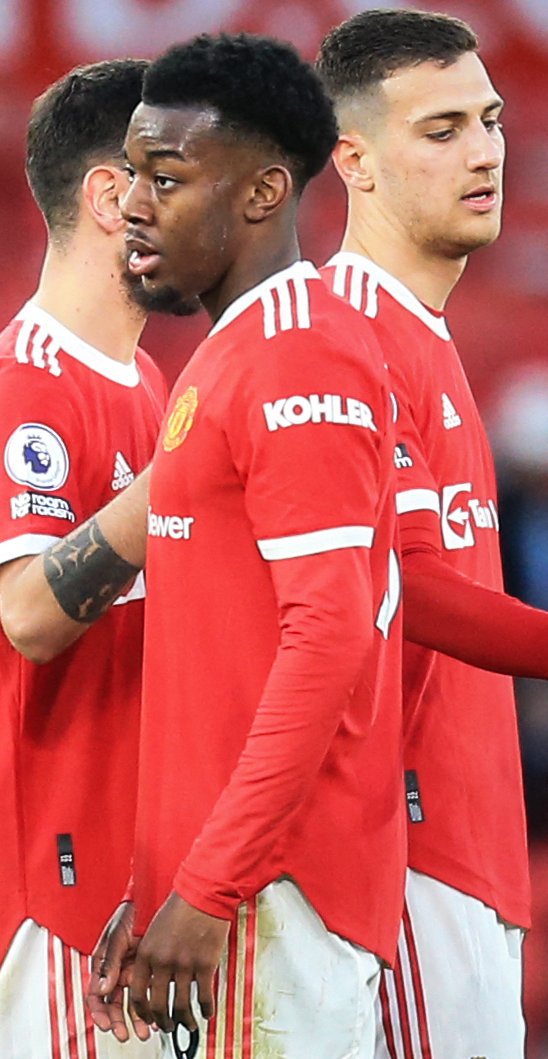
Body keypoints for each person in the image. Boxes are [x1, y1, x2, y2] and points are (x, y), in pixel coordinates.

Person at [76, 34, 405, 1055]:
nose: (134, 202)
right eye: (132, 172)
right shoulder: (231, 354)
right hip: (227, 897)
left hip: (276, 904)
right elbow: (225, 655)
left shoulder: (303, 352)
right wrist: (161, 877)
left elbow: (329, 639)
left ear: (264, 193)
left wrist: (208, 887)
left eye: (166, 178)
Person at [318, 11, 548, 1057]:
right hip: (402, 850)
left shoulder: (424, 336)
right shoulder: (344, 336)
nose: (486, 152)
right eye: (443, 128)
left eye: (491, 122)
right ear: (354, 161)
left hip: (468, 842)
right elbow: (397, 590)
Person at [0, 58, 168, 1059]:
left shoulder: (150, 382)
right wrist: (187, 474)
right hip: (52, 916)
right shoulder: (22, 388)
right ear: (111, 196)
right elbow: (28, 612)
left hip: (130, 899)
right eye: (190, 177)